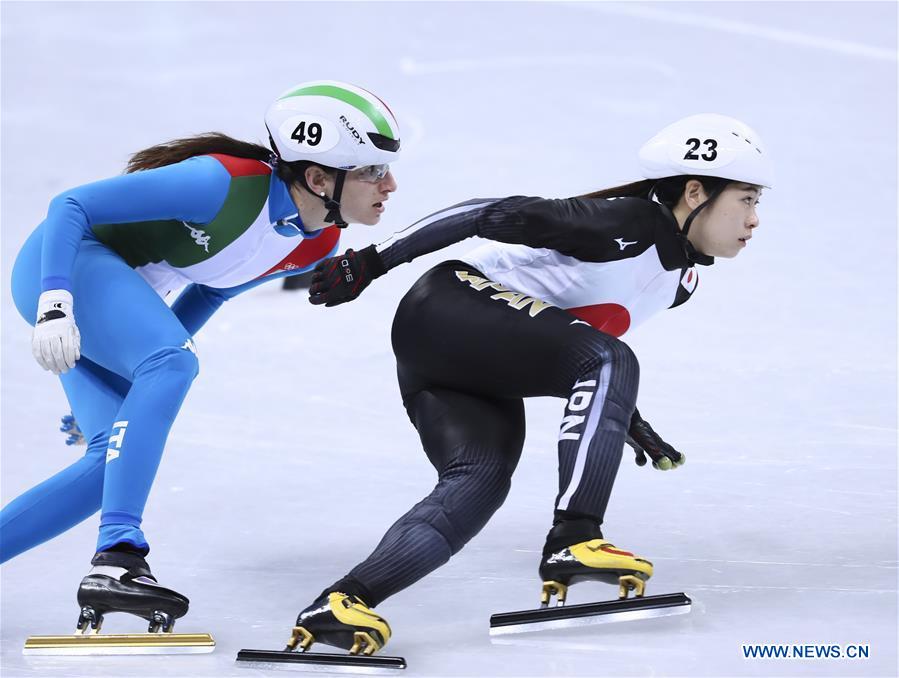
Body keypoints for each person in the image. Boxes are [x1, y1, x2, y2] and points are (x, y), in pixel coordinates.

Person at [284, 114, 771, 655]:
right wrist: (372, 262)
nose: (754, 219)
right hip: (448, 307)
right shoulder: (625, 222)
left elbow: (567, 337)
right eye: (746, 200)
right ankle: (574, 536)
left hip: (470, 362)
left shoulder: (680, 283)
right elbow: (480, 213)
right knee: (611, 359)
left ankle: (342, 602)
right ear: (695, 192)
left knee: (480, 483)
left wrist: (622, 416)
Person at [1, 80, 401, 634]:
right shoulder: (220, 183)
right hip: (64, 269)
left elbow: (213, 291)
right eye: (372, 171)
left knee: (108, 466)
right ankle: (119, 554)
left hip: (114, 303)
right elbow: (71, 205)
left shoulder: (315, 243)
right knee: (172, 363)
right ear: (317, 178)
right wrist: (55, 303)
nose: (390, 184)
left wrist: (139, 376)